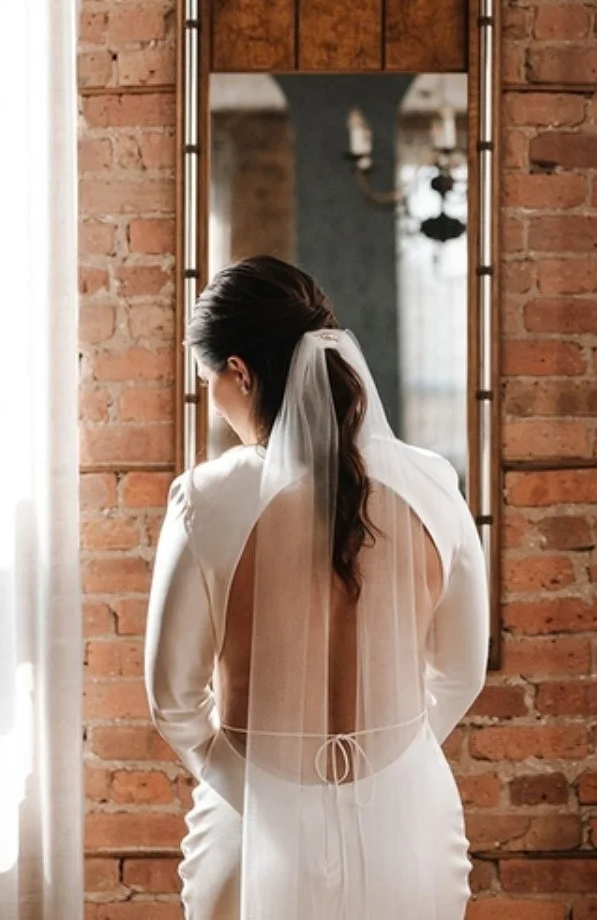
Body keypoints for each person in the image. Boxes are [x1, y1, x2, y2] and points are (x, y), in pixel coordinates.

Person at [144, 256, 489, 920]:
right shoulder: (433, 484)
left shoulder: (206, 500)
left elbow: (173, 701)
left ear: (240, 372)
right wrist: (394, 768)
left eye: (209, 382)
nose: (213, 399)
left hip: (254, 837)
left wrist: (256, 788)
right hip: (409, 835)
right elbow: (462, 672)